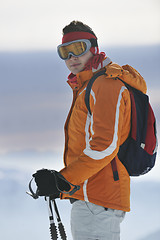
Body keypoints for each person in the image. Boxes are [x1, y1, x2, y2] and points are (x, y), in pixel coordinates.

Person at [33, 21, 147, 240]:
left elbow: (105, 145)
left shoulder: (105, 84)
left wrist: (63, 180)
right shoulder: (88, 86)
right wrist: (62, 184)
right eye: (65, 52)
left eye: (78, 48)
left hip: (98, 199)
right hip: (89, 197)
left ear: (94, 48)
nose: (71, 57)